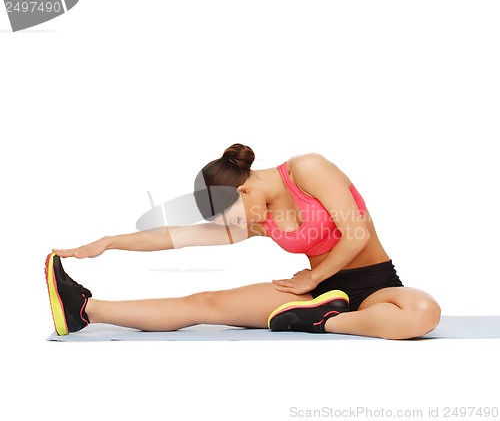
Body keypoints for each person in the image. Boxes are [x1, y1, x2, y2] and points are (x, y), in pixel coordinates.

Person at [46, 144, 441, 339]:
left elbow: (357, 234)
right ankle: (85, 310)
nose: (241, 225)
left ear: (243, 191)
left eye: (231, 217)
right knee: (204, 303)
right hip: (316, 290)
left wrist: (311, 277)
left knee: (422, 312)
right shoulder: (258, 217)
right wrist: (110, 241)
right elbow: (177, 237)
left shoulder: (308, 169)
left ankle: (325, 321)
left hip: (371, 286)